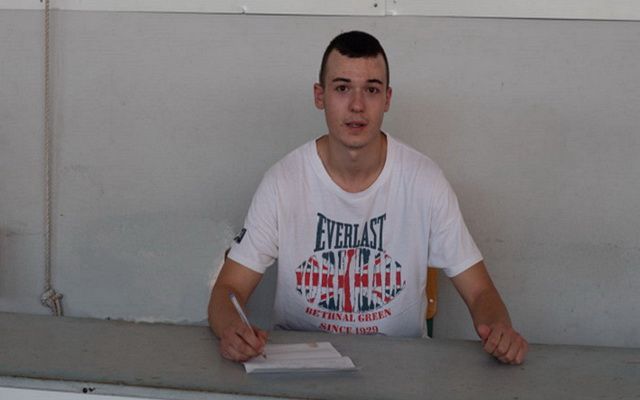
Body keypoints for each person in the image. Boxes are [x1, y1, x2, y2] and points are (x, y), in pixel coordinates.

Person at [208, 30, 528, 365]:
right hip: (301, 369)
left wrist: (499, 329)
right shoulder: (282, 182)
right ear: (319, 96)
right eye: (342, 88)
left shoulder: (424, 181)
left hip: (399, 371)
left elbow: (480, 291)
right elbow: (228, 288)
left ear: (387, 99)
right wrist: (232, 330)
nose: (357, 105)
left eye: (371, 90)